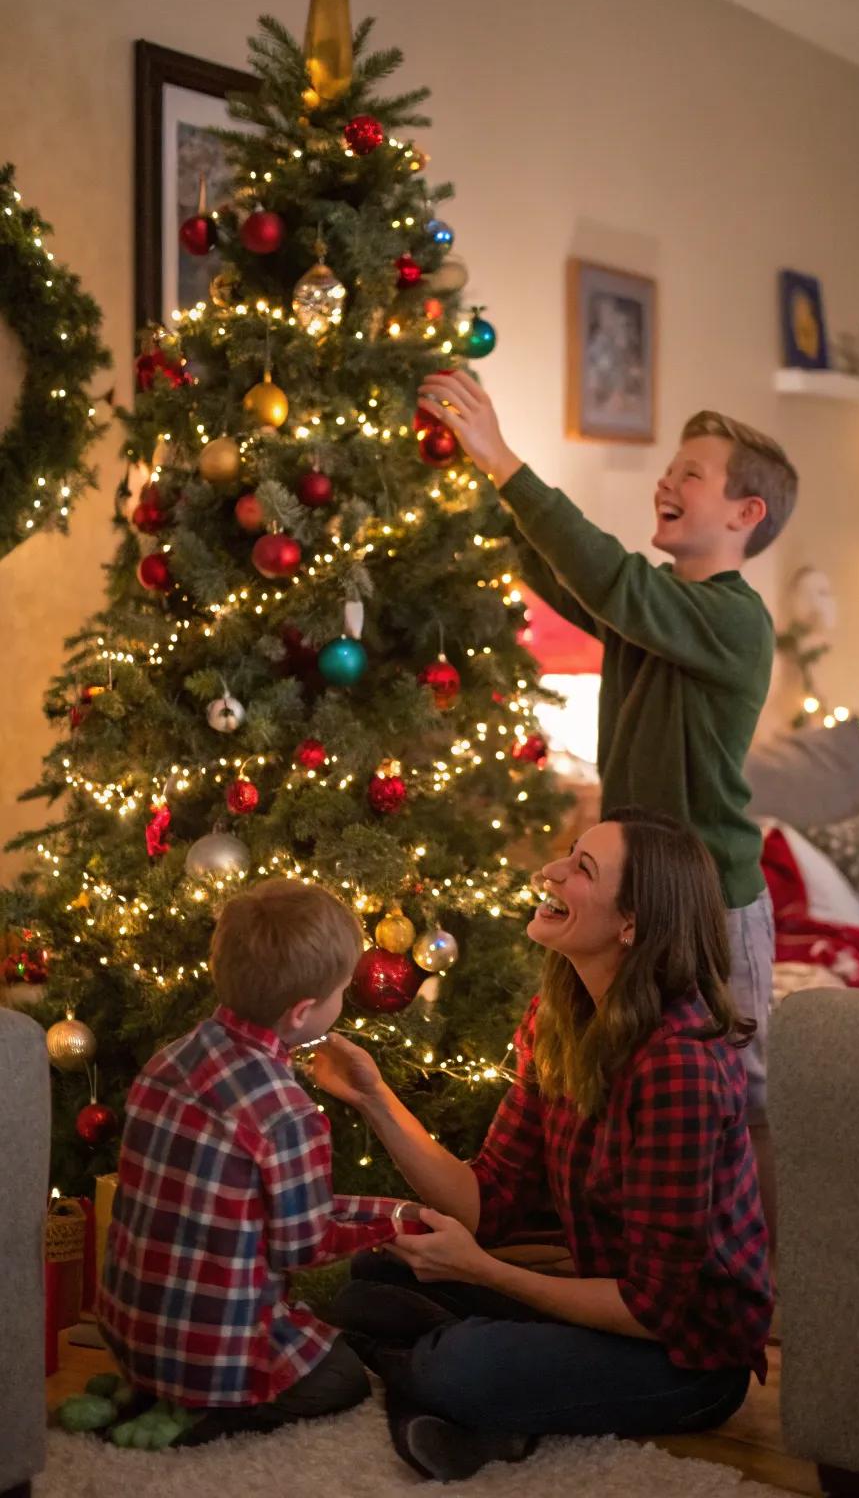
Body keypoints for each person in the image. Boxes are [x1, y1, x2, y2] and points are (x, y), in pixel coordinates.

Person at [418, 370, 799, 1250]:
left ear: (746, 515)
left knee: (746, 1101)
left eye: (691, 474)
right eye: (670, 469)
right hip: (635, 891)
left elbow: (616, 581)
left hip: (710, 899)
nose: (668, 482)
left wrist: (506, 459)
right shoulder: (651, 615)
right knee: (631, 1081)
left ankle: (769, 1289)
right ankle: (638, 1266)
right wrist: (474, 482)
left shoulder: (731, 620)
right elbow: (575, 579)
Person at [314, 808, 773, 1483]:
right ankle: (477, 1409)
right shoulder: (556, 1018)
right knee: (372, 1285)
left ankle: (455, 1394)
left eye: (581, 868)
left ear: (632, 924)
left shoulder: (680, 1065)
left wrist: (483, 1273)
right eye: (568, 856)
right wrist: (375, 1099)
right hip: (597, 1298)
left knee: (456, 1364)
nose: (550, 872)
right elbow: (487, 1200)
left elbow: (655, 1309)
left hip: (684, 1356)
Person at [96, 879, 407, 1446]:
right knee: (344, 1380)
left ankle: (155, 1390)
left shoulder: (167, 1061)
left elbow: (266, 1206)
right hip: (211, 1353)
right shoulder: (287, 1114)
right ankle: (215, 1410)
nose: (345, 1001)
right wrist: (386, 1231)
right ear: (302, 1013)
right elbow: (304, 1246)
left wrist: (390, 1211)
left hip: (127, 1330)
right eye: (342, 990)